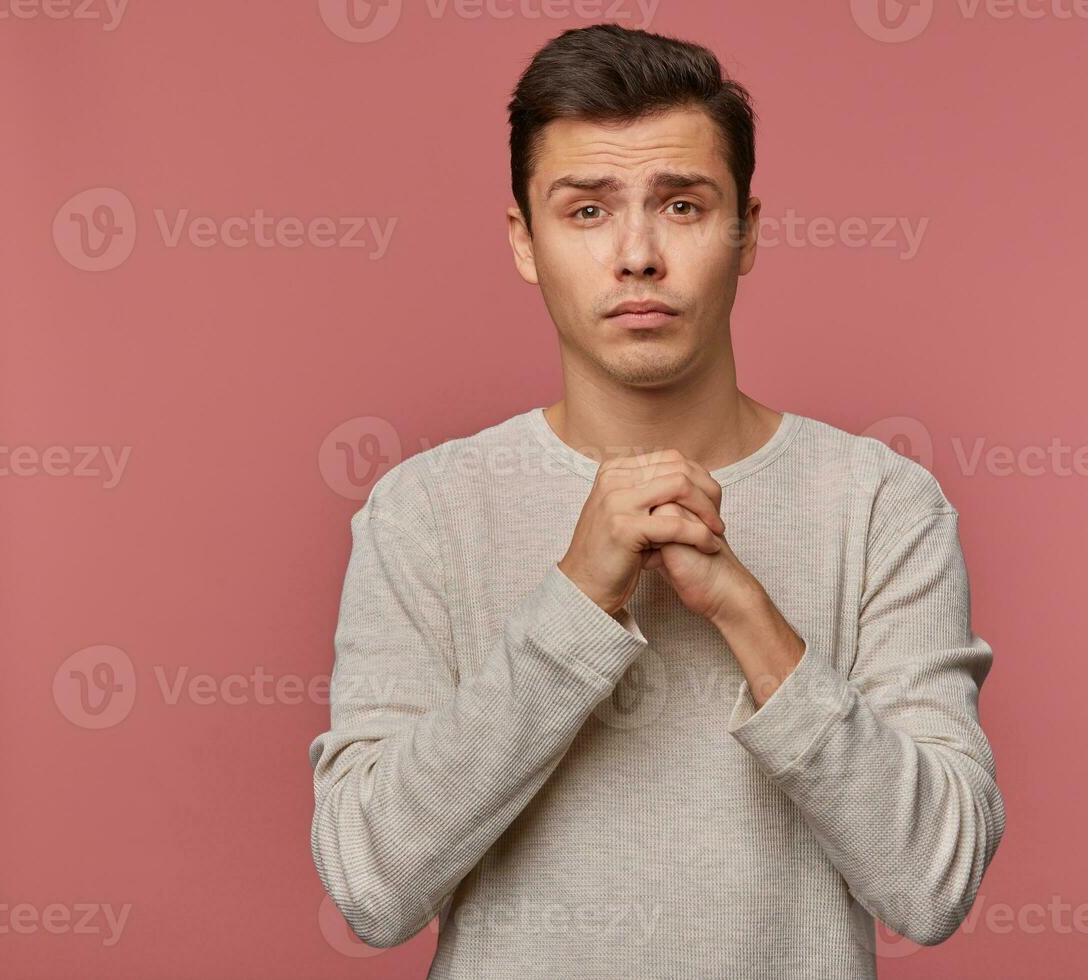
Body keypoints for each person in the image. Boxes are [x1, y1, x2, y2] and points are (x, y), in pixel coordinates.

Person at [307, 22, 1004, 979]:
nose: (637, 255)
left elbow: (932, 883)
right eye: (586, 212)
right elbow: (372, 886)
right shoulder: (423, 511)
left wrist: (748, 613)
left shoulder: (883, 505)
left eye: (681, 205)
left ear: (747, 232)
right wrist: (573, 606)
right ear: (524, 240)